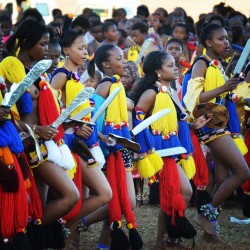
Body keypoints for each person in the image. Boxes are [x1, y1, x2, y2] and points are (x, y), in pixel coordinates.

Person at [3, 19, 80, 249]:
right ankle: (25, 234)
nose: (47, 49)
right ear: (27, 43)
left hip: (44, 145)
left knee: (38, 203)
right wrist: (36, 130)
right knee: (71, 195)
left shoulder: (40, 72)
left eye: (48, 44)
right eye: (43, 44)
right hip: (27, 146)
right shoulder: (11, 67)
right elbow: (7, 114)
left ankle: (31, 238)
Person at [130, 50, 206, 249]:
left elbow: (172, 121)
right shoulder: (151, 93)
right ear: (157, 71)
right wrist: (147, 150)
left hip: (171, 150)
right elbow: (137, 121)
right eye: (170, 65)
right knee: (182, 191)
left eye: (175, 64)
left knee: (178, 193)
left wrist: (191, 126)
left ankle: (167, 241)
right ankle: (164, 242)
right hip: (159, 153)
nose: (176, 68)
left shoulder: (169, 91)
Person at [183, 23, 250, 239]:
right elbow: (193, 99)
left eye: (228, 38)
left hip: (219, 121)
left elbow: (219, 96)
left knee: (222, 178)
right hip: (210, 123)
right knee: (243, 172)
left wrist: (229, 90)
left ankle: (209, 230)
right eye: (221, 39)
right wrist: (224, 88)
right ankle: (204, 216)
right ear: (209, 43)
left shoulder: (217, 64)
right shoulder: (201, 63)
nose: (226, 42)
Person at [50, 29, 112, 248]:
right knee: (101, 193)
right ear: (66, 50)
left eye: (86, 48)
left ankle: (66, 229)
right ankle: (59, 228)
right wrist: (72, 126)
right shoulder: (61, 75)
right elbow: (50, 109)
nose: (85, 52)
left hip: (82, 143)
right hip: (67, 144)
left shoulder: (76, 75)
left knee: (101, 194)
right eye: (80, 48)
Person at [85, 44, 143, 250]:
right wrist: (100, 136)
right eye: (119, 59)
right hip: (110, 150)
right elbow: (94, 115)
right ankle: (81, 221)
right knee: (126, 200)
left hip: (122, 147)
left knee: (124, 200)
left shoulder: (116, 82)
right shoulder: (106, 84)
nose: (124, 62)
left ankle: (104, 244)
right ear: (106, 65)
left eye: (123, 57)